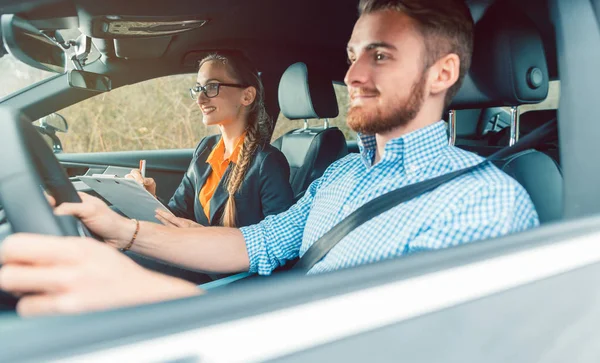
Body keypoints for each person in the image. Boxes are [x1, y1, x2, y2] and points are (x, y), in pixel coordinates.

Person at [0, 0, 539, 317]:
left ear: (442, 74)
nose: (351, 75)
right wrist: (123, 231)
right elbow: (255, 243)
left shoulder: (482, 203)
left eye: (380, 55)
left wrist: (156, 304)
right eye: (353, 56)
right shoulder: (345, 171)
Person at [127, 52, 293, 228]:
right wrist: (148, 199)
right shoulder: (206, 148)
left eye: (212, 87)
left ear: (247, 96)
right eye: (198, 88)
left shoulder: (267, 162)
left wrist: (204, 236)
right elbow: (178, 215)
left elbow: (279, 242)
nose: (200, 99)